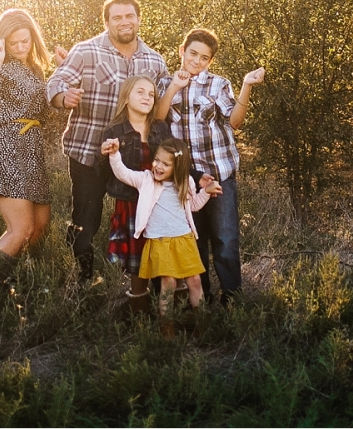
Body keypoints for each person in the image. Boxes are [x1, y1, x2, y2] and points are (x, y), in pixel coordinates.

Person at [45, 0, 167, 279]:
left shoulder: (154, 60)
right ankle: (81, 281)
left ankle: (136, 282)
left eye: (129, 16)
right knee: (86, 219)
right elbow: (56, 81)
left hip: (136, 157)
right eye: (117, 17)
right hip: (90, 150)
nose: (124, 22)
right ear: (107, 22)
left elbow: (163, 102)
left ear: (138, 19)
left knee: (139, 219)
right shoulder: (86, 51)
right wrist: (65, 97)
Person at [155, 28, 264, 305]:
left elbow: (235, 121)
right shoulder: (166, 83)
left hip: (218, 174)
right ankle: (200, 299)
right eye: (192, 53)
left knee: (225, 239)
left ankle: (232, 300)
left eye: (204, 58)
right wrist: (175, 88)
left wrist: (246, 85)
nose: (196, 61)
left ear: (210, 61)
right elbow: (158, 118)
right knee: (194, 239)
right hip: (185, 178)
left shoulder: (218, 84)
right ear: (182, 51)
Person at [0, 8, 65, 280]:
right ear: (2, 41)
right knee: (21, 229)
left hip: (31, 149)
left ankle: (25, 282)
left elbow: (45, 111)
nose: (20, 47)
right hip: (5, 147)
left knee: (40, 227)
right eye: (14, 43)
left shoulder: (35, 69)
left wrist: (61, 71)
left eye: (25, 41)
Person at [102, 136, 219, 315]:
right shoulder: (146, 180)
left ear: (177, 166)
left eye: (166, 164)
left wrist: (206, 192)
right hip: (160, 241)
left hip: (184, 239)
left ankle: (201, 321)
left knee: (195, 280)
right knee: (168, 282)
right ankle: (167, 325)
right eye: (156, 160)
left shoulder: (186, 182)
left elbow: (193, 205)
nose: (158, 166)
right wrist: (115, 153)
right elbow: (122, 173)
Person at [99, 74, 172, 314]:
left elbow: (173, 161)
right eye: (140, 92)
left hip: (159, 204)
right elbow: (107, 170)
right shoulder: (115, 130)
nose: (147, 97)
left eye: (151, 94)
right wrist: (106, 152)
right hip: (130, 203)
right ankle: (139, 312)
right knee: (137, 263)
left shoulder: (160, 128)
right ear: (127, 97)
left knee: (164, 258)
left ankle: (168, 312)